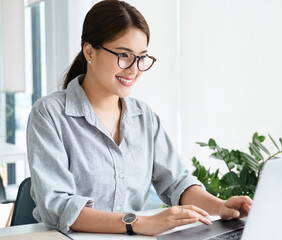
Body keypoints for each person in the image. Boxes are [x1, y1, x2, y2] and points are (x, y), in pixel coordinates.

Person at [26, 0, 252, 236]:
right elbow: (58, 207)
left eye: (141, 57)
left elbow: (176, 182)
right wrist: (138, 223)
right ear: (89, 51)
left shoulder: (143, 116)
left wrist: (220, 207)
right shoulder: (49, 114)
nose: (134, 70)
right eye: (124, 55)